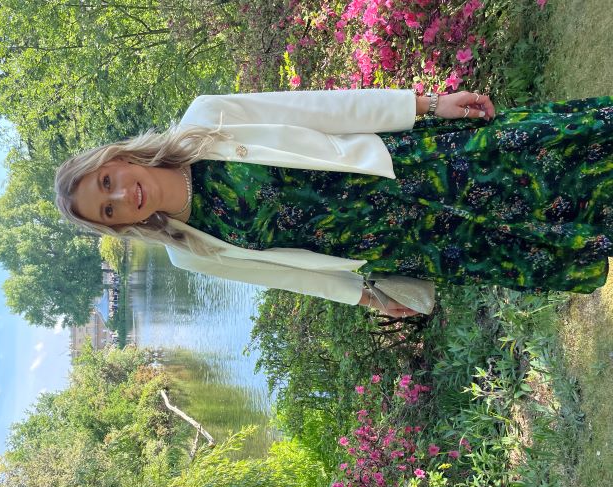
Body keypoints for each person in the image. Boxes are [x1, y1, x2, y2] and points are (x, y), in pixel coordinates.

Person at [54, 88, 613, 318]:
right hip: (412, 243)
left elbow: (321, 110)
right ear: (122, 225)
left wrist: (425, 104)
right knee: (530, 231)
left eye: (108, 182)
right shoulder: (189, 251)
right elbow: (286, 274)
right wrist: (365, 296)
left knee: (544, 159)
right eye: (110, 210)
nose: (123, 196)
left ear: (118, 160)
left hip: (408, 167)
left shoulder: (206, 120)